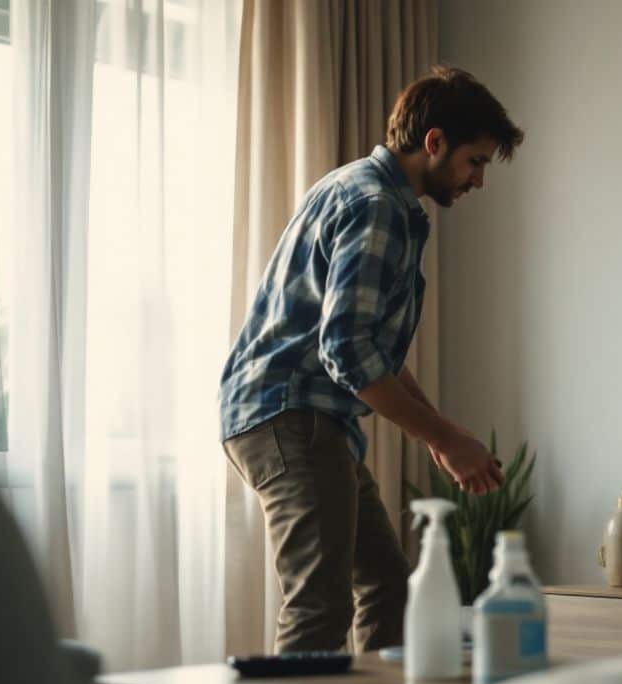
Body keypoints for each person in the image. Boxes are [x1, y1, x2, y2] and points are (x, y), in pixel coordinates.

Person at [218, 66, 524, 653]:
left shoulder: (362, 190)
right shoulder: (377, 204)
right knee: (318, 605)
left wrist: (440, 437)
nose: (479, 181)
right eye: (475, 161)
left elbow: (369, 347)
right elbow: (348, 353)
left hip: (302, 418)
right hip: (291, 415)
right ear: (434, 143)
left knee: (385, 584)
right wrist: (446, 437)